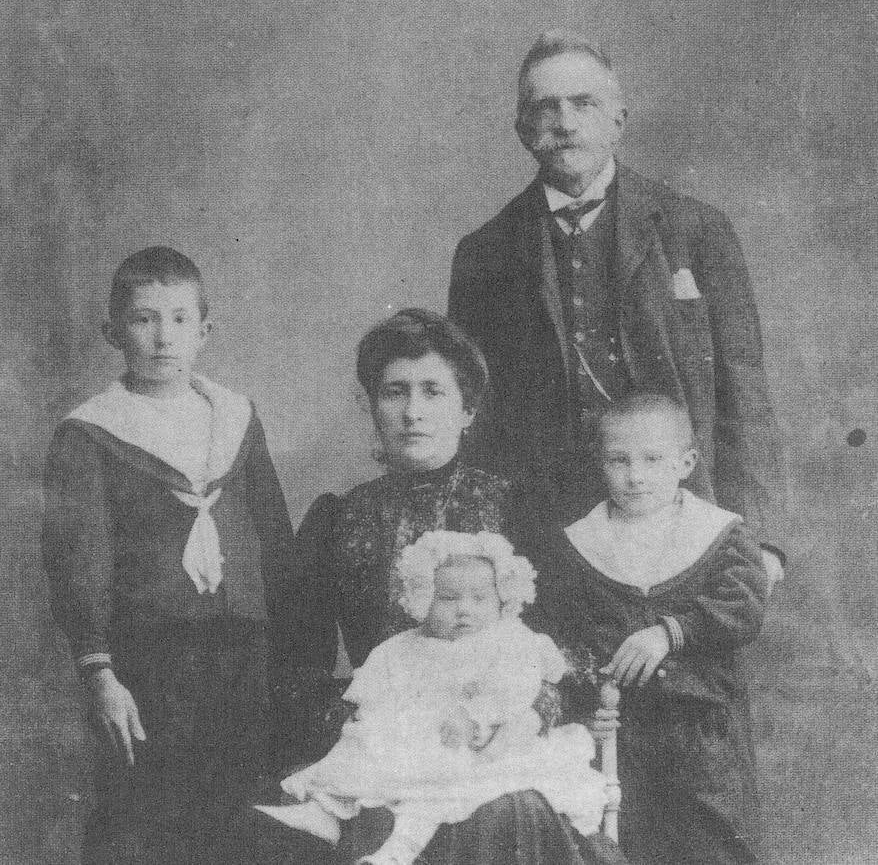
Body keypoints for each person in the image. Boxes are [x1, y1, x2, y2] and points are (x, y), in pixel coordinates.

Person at [265, 308, 625, 865]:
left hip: (501, 745)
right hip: (390, 755)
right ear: (369, 405)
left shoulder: (519, 509)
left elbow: (575, 649)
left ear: (468, 409)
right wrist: (369, 726)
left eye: (433, 391)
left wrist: (526, 714)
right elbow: (294, 671)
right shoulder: (337, 520)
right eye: (394, 392)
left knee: (510, 812)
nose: (413, 412)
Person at [448, 30, 785, 587]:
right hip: (543, 539)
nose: (565, 121)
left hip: (684, 528)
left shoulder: (696, 230)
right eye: (546, 108)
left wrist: (764, 542)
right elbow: (475, 419)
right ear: (522, 131)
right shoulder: (484, 253)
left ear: (618, 122)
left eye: (584, 104)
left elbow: (744, 394)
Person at [41, 247, 306, 864]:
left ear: (205, 331)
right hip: (148, 662)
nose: (164, 338)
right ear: (113, 332)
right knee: (146, 821)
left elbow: (273, 536)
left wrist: (291, 654)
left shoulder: (235, 417)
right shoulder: (90, 433)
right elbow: (79, 560)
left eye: (180, 320)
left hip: (243, 656)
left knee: (243, 816)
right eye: (144, 319)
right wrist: (100, 672)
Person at [263, 530, 607, 865]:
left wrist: (474, 716)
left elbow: (515, 690)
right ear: (423, 598)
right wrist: (368, 717)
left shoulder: (510, 642)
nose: (463, 610)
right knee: (358, 746)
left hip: (479, 748)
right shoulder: (402, 646)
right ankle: (324, 811)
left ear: (503, 598)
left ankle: (397, 852)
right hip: (411, 744)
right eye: (448, 598)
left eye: (479, 598)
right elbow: (377, 690)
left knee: (434, 796)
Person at [533, 392, 768, 864]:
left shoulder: (720, 535)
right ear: (601, 465)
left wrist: (669, 632)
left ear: (686, 463)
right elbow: (563, 639)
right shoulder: (581, 544)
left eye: (652, 459)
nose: (635, 476)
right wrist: (584, 706)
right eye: (619, 460)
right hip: (620, 734)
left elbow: (743, 607)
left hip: (699, 733)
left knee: (710, 844)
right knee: (618, 842)